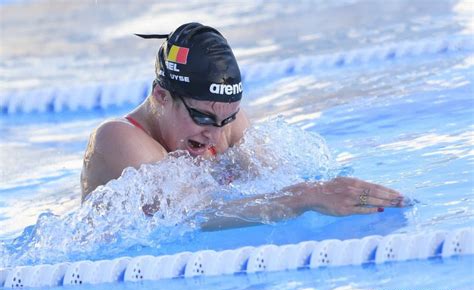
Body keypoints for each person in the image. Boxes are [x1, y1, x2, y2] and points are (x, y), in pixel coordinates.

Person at [81, 22, 404, 230]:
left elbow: (278, 180)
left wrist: (331, 192)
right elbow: (190, 216)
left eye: (227, 119)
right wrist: (305, 197)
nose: (216, 135)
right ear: (161, 96)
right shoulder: (120, 138)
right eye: (202, 118)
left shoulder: (220, 121)